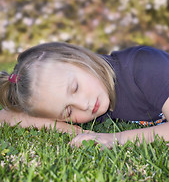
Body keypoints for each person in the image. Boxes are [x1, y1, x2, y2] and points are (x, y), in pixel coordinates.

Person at [0, 42, 169, 148]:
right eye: (68, 112)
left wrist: (114, 139)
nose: (83, 105)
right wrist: (66, 128)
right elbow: (5, 116)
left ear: (78, 59)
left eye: (75, 88)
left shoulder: (145, 65)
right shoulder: (96, 95)